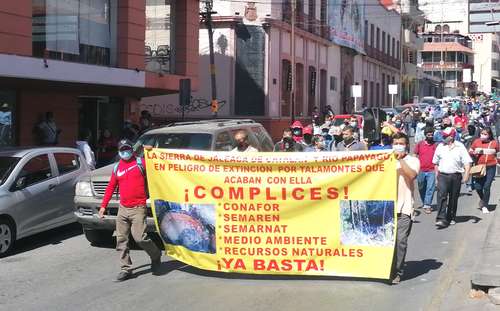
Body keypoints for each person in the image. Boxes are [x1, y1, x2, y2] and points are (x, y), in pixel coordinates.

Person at [98, 139, 162, 281]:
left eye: (127, 149)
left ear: (132, 150)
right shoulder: (117, 168)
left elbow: (158, 164)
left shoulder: (141, 163)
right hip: (123, 208)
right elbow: (110, 187)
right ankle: (126, 268)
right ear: (119, 151)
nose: (125, 152)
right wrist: (103, 206)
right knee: (121, 239)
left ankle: (156, 255)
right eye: (122, 150)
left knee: (140, 237)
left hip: (138, 208)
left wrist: (152, 151)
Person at [392, 132, 420, 285]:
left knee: (400, 240)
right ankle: (388, 269)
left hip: (405, 206)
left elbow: (411, 176)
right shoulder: (385, 159)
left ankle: (398, 271)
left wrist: (400, 160)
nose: (398, 145)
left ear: (406, 145)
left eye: (400, 143)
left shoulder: (413, 160)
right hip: (387, 207)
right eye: (395, 143)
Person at [433, 127, 472, 229]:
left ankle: (451, 217)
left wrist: (467, 175)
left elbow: (467, 162)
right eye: (443, 136)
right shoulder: (440, 147)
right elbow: (436, 163)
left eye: (446, 136)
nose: (444, 137)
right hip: (443, 175)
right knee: (441, 196)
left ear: (452, 136)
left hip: (456, 176)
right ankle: (441, 218)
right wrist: (436, 177)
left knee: (453, 197)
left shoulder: (460, 147)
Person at [469, 127, 499, 213]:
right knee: (478, 187)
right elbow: (470, 150)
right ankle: (483, 199)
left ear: (489, 135)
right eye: (482, 134)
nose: (483, 135)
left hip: (491, 167)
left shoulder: (494, 143)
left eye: (485, 134)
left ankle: (485, 205)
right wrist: (474, 153)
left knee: (487, 186)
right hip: (479, 167)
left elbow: (497, 152)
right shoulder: (476, 142)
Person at [414, 127, 437, 214]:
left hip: (432, 170)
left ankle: (428, 205)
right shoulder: (420, 144)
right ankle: (425, 202)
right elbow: (415, 155)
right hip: (421, 170)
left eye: (432, 135)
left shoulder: (435, 145)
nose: (430, 136)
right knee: (421, 187)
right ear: (425, 135)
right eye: (428, 135)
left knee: (430, 188)